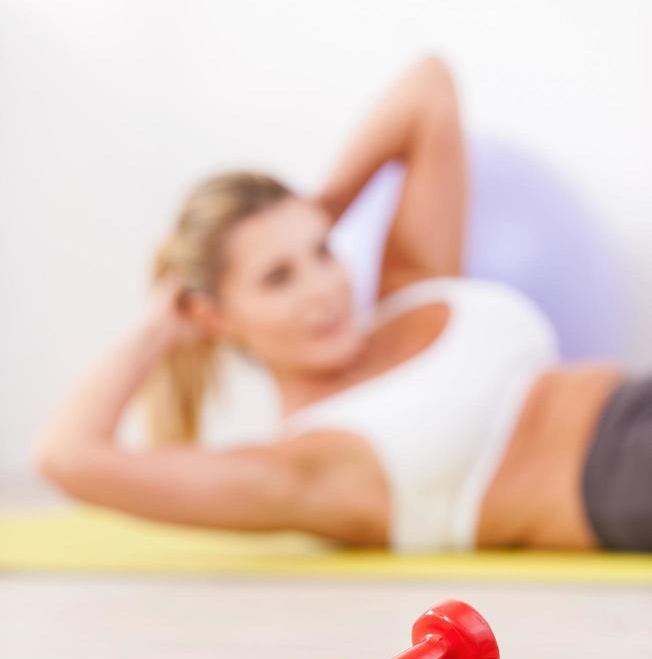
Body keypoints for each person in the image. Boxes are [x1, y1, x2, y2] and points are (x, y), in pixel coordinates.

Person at [33, 55, 651, 551]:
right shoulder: (304, 466)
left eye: (324, 252)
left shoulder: (406, 288)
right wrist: (162, 322)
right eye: (279, 278)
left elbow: (428, 85)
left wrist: (320, 206)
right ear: (213, 316)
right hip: (622, 481)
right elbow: (65, 456)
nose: (323, 289)